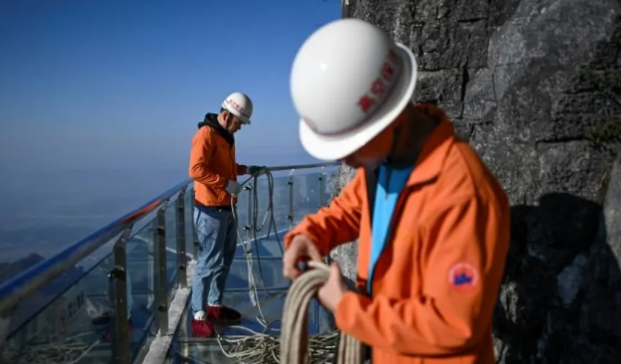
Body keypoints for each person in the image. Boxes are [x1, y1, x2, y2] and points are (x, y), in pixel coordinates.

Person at [282, 18, 511, 364]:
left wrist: (348, 307)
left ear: (389, 119)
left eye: (351, 143)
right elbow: (350, 209)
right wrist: (309, 235)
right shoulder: (386, 162)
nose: (346, 158)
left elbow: (454, 323)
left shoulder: (463, 194)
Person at [188, 92, 266, 337]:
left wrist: (245, 169)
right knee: (208, 262)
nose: (240, 127)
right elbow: (196, 169)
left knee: (225, 259)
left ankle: (214, 306)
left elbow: (226, 166)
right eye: (239, 122)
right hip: (210, 210)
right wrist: (224, 183)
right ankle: (198, 315)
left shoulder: (226, 136)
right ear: (226, 115)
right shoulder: (206, 135)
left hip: (226, 207)